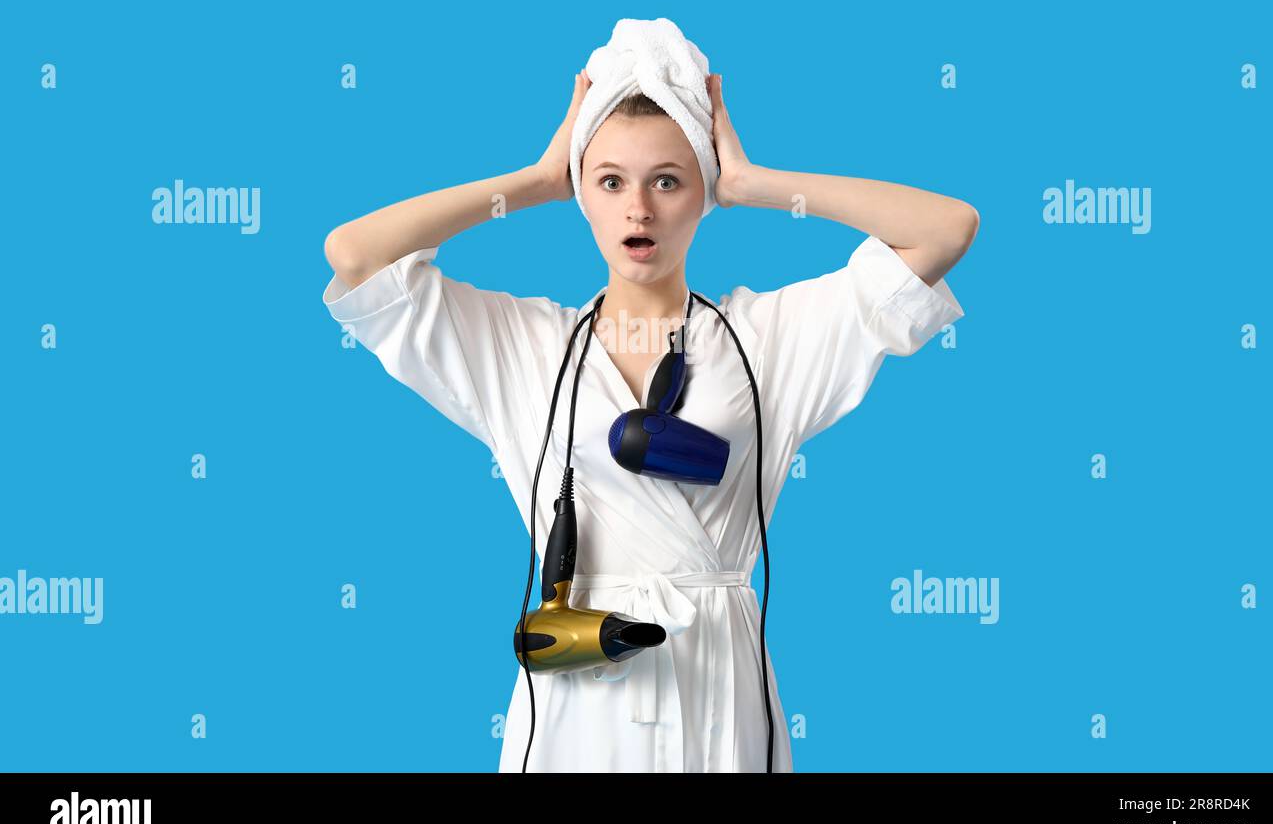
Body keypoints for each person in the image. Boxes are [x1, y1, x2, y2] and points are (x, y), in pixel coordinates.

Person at [321, 68, 977, 772]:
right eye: (608, 182)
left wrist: (755, 184)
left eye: (667, 180)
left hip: (716, 687)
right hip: (578, 691)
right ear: (582, 196)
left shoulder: (767, 341)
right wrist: (538, 180)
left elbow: (946, 229)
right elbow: (355, 256)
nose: (638, 209)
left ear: (703, 194)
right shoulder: (524, 347)